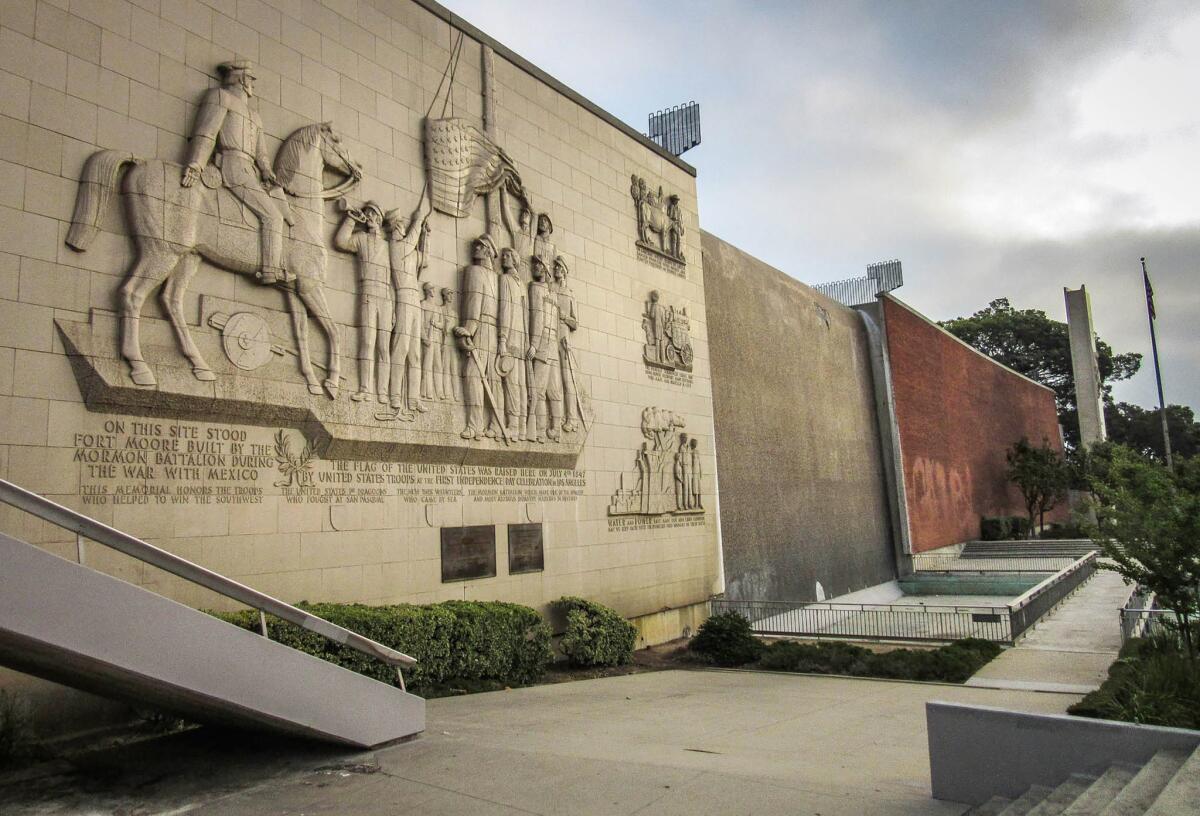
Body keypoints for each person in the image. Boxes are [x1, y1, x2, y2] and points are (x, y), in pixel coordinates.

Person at [181, 60, 293, 285]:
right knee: (272, 215)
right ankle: (271, 270)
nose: (252, 85)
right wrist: (196, 164)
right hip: (232, 167)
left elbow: (261, 153)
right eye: (251, 79)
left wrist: (267, 171)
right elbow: (207, 133)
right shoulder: (221, 97)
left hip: (250, 169)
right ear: (242, 79)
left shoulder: (255, 116)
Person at [333, 199, 391, 403]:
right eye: (368, 213)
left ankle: (382, 391)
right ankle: (365, 388)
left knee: (384, 347)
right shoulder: (360, 239)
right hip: (367, 292)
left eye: (375, 214)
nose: (371, 217)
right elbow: (340, 243)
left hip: (386, 297)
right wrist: (350, 220)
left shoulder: (387, 245)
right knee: (367, 342)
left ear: (381, 219)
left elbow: (394, 276)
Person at [384, 197, 431, 419]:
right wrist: (419, 216)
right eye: (400, 223)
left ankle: (413, 398)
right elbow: (412, 238)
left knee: (415, 354)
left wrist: (427, 236)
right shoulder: (396, 247)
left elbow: (425, 260)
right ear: (395, 227)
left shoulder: (408, 250)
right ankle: (395, 395)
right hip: (403, 298)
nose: (402, 226)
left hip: (415, 302)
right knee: (400, 349)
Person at [454, 236, 503, 440]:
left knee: (473, 374)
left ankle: (475, 426)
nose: (475, 247)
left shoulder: (474, 271)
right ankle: (495, 425)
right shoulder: (497, 278)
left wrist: (469, 328)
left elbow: (474, 300)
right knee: (493, 379)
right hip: (493, 330)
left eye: (480, 246)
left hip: (481, 328)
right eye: (475, 245)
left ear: (489, 251)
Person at [526, 255, 562, 442]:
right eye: (535, 265)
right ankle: (548, 430)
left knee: (546, 390)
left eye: (540, 265)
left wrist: (533, 343)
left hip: (546, 346)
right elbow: (540, 319)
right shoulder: (545, 292)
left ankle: (547, 430)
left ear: (546, 269)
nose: (535, 268)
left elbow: (540, 318)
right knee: (547, 391)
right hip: (548, 346)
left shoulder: (540, 291)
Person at [496, 247, 529, 440]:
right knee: (518, 384)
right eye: (503, 256)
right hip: (518, 339)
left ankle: (515, 426)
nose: (503, 259)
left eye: (507, 256)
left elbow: (505, 309)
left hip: (511, 340)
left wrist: (502, 339)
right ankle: (520, 427)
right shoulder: (519, 283)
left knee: (512, 384)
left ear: (515, 260)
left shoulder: (507, 280)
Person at [554, 256, 580, 433]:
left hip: (564, 337)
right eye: (554, 267)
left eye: (558, 268)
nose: (555, 270)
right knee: (553, 379)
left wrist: (565, 317)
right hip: (550, 336)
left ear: (563, 271)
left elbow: (575, 323)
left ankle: (572, 418)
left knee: (566, 379)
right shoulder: (550, 289)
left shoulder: (569, 293)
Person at [420, 281, 444, 400]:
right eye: (431, 288)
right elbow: (420, 322)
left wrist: (436, 324)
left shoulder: (438, 308)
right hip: (428, 337)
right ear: (427, 290)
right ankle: (426, 391)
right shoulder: (423, 304)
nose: (433, 290)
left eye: (434, 288)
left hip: (436, 337)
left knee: (438, 365)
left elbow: (442, 324)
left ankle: (439, 391)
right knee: (427, 365)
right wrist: (424, 338)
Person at [440, 288, 461, 402]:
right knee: (445, 369)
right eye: (449, 294)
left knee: (454, 370)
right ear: (444, 296)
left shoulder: (454, 314)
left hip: (453, 344)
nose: (451, 296)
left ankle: (456, 394)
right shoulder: (440, 310)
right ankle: (446, 393)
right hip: (444, 342)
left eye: (452, 294)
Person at [674, 433, 689, 510]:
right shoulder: (681, 447)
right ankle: (684, 504)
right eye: (684, 438)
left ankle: (687, 503)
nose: (686, 439)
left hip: (687, 467)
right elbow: (680, 459)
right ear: (682, 439)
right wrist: (682, 466)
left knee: (687, 487)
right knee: (684, 487)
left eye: (686, 438)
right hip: (683, 467)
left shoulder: (687, 447)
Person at [689, 437, 702, 510]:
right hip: (693, 471)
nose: (695, 444)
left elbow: (699, 463)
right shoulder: (690, 452)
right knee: (695, 488)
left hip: (698, 471)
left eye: (696, 443)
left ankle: (700, 503)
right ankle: (696, 503)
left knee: (699, 488)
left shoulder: (697, 451)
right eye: (694, 443)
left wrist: (701, 472)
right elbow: (690, 463)